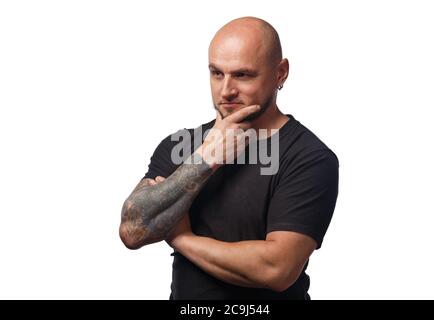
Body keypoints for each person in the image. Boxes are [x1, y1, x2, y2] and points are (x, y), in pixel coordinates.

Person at [119, 16, 339, 300]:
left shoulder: (309, 157)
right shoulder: (181, 145)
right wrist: (204, 160)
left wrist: (181, 238)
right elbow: (132, 231)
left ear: (280, 73)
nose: (226, 91)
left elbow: (277, 269)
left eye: (243, 75)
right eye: (216, 73)